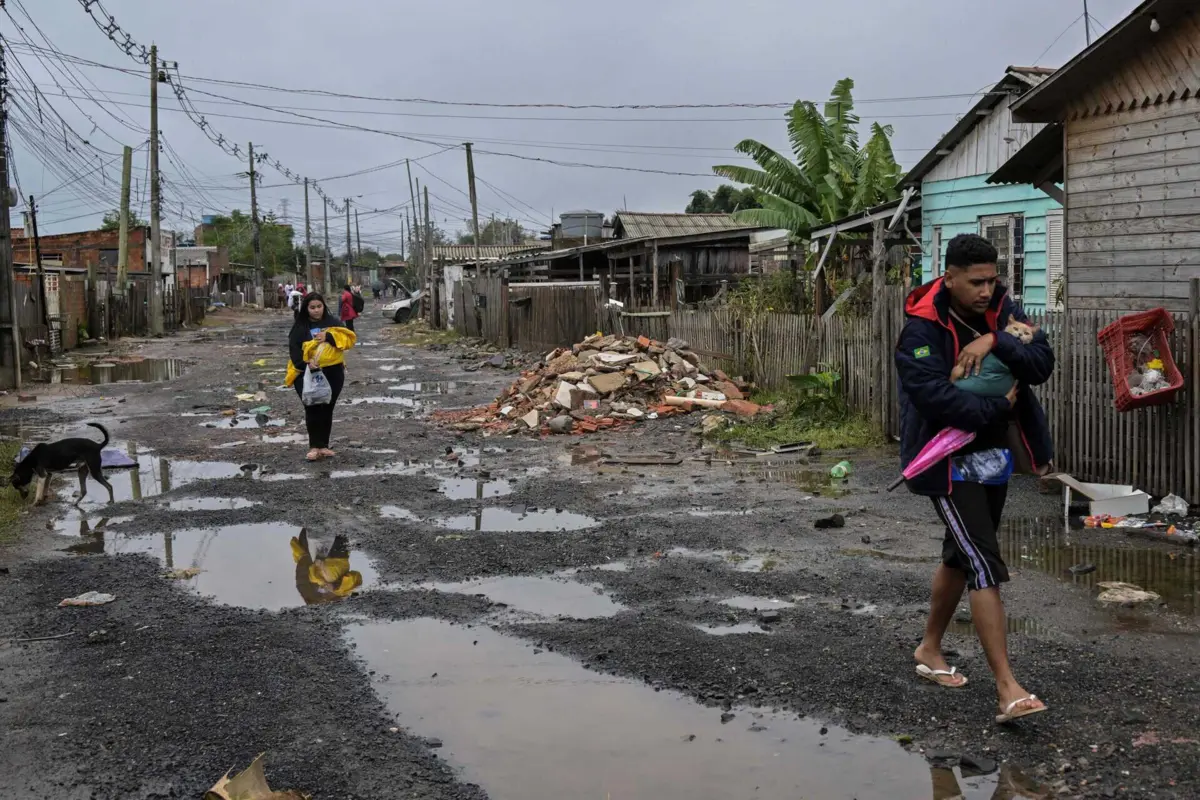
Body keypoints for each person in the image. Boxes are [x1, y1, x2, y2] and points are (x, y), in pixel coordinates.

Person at [894, 233, 1055, 725]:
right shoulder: (921, 330)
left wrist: (996, 339)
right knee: (983, 558)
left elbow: (1041, 363)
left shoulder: (1005, 312)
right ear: (950, 278)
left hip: (991, 456)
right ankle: (1007, 688)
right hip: (944, 458)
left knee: (959, 555)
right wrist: (994, 408)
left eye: (993, 280)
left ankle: (929, 648)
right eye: (977, 282)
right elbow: (933, 397)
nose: (987, 290)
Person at [285, 292, 356, 462]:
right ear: (306, 309)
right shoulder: (300, 326)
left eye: (319, 307)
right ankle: (313, 446)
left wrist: (329, 336)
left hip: (333, 373)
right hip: (306, 374)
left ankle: (324, 445)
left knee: (327, 407)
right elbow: (294, 350)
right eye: (312, 308)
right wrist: (306, 363)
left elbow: (346, 340)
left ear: (324, 306)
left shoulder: (333, 323)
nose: (316, 311)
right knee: (312, 407)